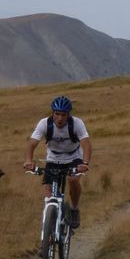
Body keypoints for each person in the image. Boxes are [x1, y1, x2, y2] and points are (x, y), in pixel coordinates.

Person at [24, 95, 91, 228]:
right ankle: (49, 232)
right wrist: (28, 161)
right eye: (57, 114)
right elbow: (31, 144)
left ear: (68, 114)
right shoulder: (44, 124)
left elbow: (86, 144)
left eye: (63, 115)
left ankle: (74, 209)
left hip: (74, 157)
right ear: (52, 113)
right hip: (53, 158)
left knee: (72, 180)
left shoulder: (77, 123)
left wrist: (85, 163)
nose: (60, 118)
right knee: (48, 193)